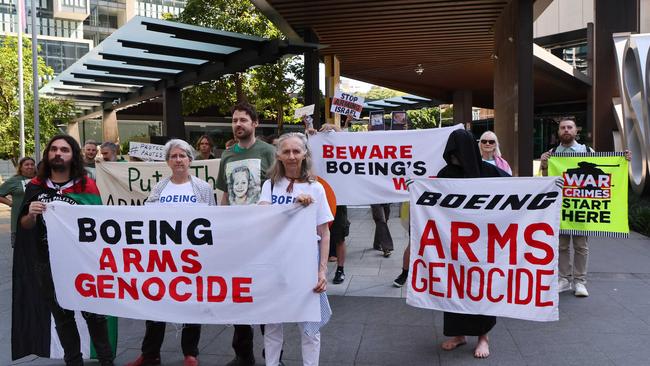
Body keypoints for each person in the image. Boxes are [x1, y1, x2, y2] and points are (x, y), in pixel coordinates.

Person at [15, 135, 114, 365]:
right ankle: (73, 360)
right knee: (63, 318)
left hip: (82, 263)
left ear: (73, 156)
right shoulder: (36, 186)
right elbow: (25, 225)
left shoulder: (86, 185)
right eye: (54, 149)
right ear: (48, 154)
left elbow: (98, 223)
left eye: (65, 150)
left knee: (94, 315)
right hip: (47, 264)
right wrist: (31, 213)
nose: (58, 153)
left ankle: (107, 360)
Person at [127, 139, 216, 366]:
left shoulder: (203, 188)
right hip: (163, 259)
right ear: (167, 161)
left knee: (190, 303)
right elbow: (147, 219)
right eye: (174, 156)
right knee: (156, 302)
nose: (178, 160)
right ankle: (150, 354)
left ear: (190, 159)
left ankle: (190, 353)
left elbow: (214, 221)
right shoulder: (159, 188)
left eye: (183, 156)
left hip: (192, 258)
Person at [259, 132, 333, 366]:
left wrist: (322, 272)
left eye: (296, 151)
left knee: (310, 327)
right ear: (278, 155)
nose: (291, 156)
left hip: (305, 264)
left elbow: (324, 233)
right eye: (286, 151)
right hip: (275, 265)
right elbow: (261, 220)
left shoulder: (317, 188)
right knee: (272, 325)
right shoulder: (270, 185)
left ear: (304, 154)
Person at [437, 129, 510, 359]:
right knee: (455, 288)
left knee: (481, 289)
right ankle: (459, 335)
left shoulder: (488, 171)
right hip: (455, 245)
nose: (454, 155)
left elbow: (516, 189)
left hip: (483, 245)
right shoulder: (445, 173)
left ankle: (483, 337)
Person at [540, 117, 631, 297]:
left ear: (576, 131)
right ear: (558, 132)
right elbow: (546, 180)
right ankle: (564, 279)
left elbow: (605, 171)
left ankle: (580, 281)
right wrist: (544, 165)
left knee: (581, 246)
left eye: (569, 127)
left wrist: (624, 160)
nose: (566, 130)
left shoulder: (587, 151)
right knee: (561, 246)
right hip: (562, 209)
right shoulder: (551, 154)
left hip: (582, 207)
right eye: (563, 128)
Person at [216, 102, 276, 366]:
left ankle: (273, 355)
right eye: (234, 120)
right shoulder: (227, 156)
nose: (238, 124)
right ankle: (243, 354)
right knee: (238, 295)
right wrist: (221, 225)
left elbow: (282, 188)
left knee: (266, 295)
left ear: (255, 123)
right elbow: (226, 194)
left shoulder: (270, 152)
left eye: (243, 120)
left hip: (265, 238)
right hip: (236, 239)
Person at [314, 123, 350, 284]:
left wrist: (336, 128)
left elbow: (348, 146)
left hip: (339, 201)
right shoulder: (315, 151)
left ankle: (340, 269)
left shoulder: (342, 153)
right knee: (318, 235)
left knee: (339, 237)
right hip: (320, 199)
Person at [0, 157, 36, 247]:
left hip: (38, 222)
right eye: (27, 164)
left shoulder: (40, 179)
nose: (30, 166)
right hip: (19, 222)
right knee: (21, 252)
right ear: (21, 167)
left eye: (32, 164)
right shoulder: (14, 180)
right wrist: (11, 203)